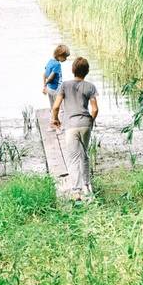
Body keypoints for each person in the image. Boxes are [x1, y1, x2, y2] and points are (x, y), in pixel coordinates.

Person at [50, 56, 98, 200]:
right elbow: (95, 109)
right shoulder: (90, 86)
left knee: (73, 158)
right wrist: (91, 121)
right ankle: (87, 186)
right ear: (87, 71)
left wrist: (55, 119)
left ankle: (76, 191)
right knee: (84, 155)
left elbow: (56, 106)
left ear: (72, 70)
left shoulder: (64, 85)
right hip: (85, 124)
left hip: (71, 125)